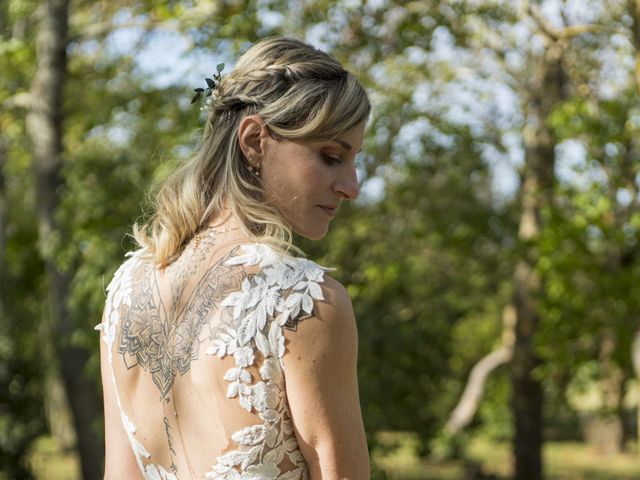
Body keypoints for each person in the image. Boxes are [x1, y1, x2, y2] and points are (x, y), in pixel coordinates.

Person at [97, 37, 371, 480]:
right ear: (254, 140)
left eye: (354, 161)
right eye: (332, 157)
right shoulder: (304, 303)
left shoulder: (126, 290)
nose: (351, 186)